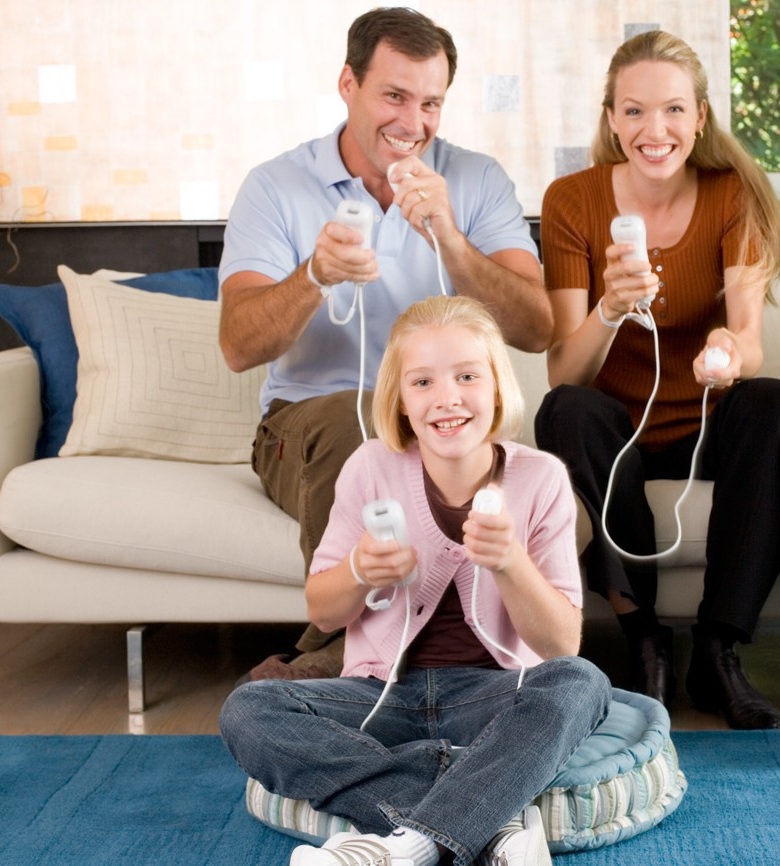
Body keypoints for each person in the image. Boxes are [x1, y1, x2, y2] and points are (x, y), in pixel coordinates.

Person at [218, 7, 551, 678]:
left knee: (458, 449)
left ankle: (393, 660)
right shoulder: (277, 187)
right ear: (348, 84)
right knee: (364, 421)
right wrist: (314, 275)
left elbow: (536, 328)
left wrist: (453, 242)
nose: (413, 123)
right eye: (394, 96)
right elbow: (236, 344)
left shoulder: (476, 182)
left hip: (442, 422)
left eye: (431, 103)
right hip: (308, 426)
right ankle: (344, 654)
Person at [220, 296, 609, 866]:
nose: (447, 398)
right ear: (400, 401)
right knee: (248, 710)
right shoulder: (372, 466)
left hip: (494, 697)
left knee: (581, 682)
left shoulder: (540, 477)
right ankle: (488, 824)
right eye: (422, 381)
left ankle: (405, 846)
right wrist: (357, 570)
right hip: (382, 698)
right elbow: (324, 614)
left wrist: (510, 564)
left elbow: (560, 646)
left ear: (497, 386)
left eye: (467, 376)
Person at [534, 30, 780, 730]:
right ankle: (643, 639)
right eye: (635, 112)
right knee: (565, 411)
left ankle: (718, 650)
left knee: (771, 402)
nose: (656, 130)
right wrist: (608, 309)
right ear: (612, 119)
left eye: (674, 110)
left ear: (701, 118)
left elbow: (748, 339)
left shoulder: (733, 194)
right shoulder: (571, 200)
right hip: (617, 432)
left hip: (706, 423)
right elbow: (565, 370)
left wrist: (726, 352)